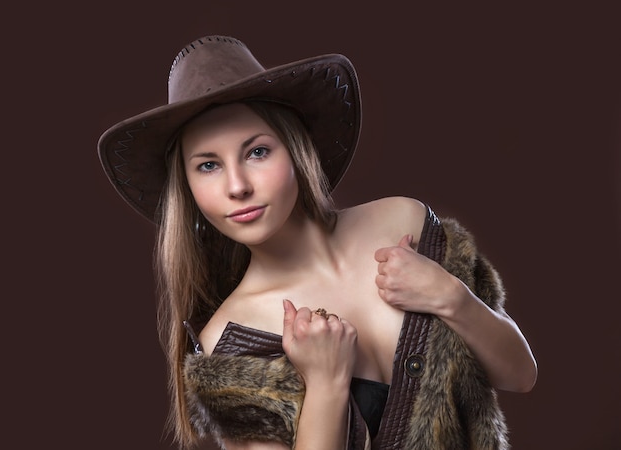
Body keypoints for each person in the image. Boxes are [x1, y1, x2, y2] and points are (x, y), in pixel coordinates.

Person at [98, 35, 537, 450]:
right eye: (208, 166)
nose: (237, 186)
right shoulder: (229, 342)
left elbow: (520, 374)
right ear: (189, 189)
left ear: (296, 148)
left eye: (257, 152)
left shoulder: (405, 219)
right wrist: (326, 382)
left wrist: (451, 298)